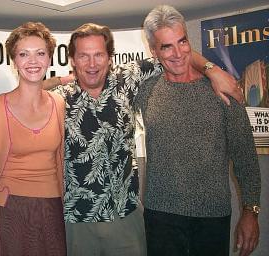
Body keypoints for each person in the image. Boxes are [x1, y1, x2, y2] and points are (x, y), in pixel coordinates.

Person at [51, 22, 243, 256]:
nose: (92, 64)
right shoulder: (57, 100)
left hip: (126, 218)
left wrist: (213, 69)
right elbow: (27, 91)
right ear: (72, 59)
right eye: (83, 56)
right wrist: (60, 80)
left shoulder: (127, 79)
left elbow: (176, 53)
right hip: (76, 222)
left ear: (110, 57)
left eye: (99, 55)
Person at [134, 5, 261, 256]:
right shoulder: (145, 90)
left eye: (182, 42)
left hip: (212, 217)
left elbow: (246, 158)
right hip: (161, 216)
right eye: (166, 46)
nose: (178, 53)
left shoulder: (222, 91)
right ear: (154, 52)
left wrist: (251, 211)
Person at [0, 22, 66, 256]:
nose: (33, 61)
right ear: (14, 61)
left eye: (40, 53)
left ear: (50, 59)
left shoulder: (59, 104)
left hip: (52, 207)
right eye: (24, 54)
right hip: (9, 208)